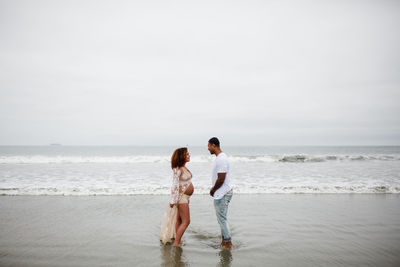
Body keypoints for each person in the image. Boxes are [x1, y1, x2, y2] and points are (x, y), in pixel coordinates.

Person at [208, 137, 233, 249]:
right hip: (222, 192)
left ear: (214, 145)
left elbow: (221, 178)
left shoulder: (221, 159)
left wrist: (213, 189)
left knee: (222, 219)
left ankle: (228, 243)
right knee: (222, 218)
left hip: (222, 193)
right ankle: (224, 241)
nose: (208, 149)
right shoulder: (220, 157)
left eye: (209, 146)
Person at [169, 147, 194, 246]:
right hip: (181, 197)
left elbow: (184, 183)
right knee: (186, 221)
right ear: (181, 156)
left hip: (185, 197)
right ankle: (176, 243)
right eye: (187, 154)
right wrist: (172, 201)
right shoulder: (178, 169)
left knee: (179, 220)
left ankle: (177, 240)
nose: (189, 155)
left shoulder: (184, 167)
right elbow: (174, 185)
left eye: (188, 153)